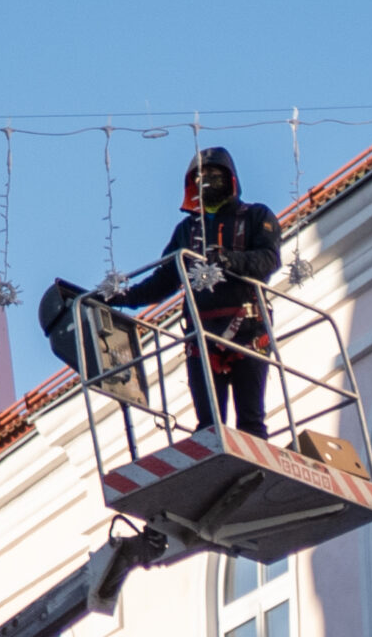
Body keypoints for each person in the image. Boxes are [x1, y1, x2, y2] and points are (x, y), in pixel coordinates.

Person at [110, 146, 282, 436]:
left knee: (251, 421)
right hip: (201, 338)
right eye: (201, 176)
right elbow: (164, 279)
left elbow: (269, 259)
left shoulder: (255, 216)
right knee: (208, 426)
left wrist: (229, 260)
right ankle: (219, 475)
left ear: (231, 179)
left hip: (248, 332)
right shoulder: (186, 231)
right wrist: (124, 297)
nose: (208, 180)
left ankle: (254, 473)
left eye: (215, 175)